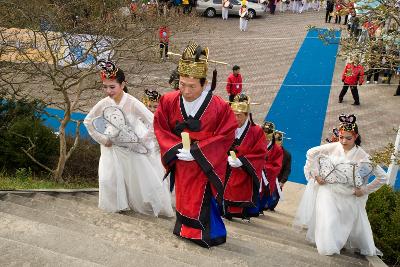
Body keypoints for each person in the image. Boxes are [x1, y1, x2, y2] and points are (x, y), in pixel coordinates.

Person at [154, 42, 237, 248]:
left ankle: (208, 234)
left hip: (204, 162)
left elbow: (226, 134)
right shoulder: (168, 100)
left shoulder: (219, 107)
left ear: (204, 83)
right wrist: (175, 148)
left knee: (202, 198)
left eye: (192, 86)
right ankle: (183, 229)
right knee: (183, 196)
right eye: (182, 84)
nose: (186, 90)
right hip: (181, 158)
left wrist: (198, 151)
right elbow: (160, 126)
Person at [84, 60, 174, 217]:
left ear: (123, 84)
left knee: (137, 183)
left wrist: (144, 140)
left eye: (112, 87)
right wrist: (103, 139)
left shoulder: (132, 103)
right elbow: (88, 121)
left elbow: (154, 121)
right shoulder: (103, 103)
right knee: (108, 179)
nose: (108, 90)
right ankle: (114, 207)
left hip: (131, 149)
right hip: (110, 148)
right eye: (105, 87)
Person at [294, 114, 387, 256]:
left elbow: (382, 177)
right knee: (328, 217)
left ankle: (337, 243)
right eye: (341, 137)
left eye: (348, 138)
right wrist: (316, 175)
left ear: (355, 137)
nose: (343, 141)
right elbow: (311, 153)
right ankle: (327, 246)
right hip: (328, 190)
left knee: (342, 223)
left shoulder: (362, 155)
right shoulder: (333, 147)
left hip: (348, 194)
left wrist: (364, 190)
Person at [223, 94, 267, 220]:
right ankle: (223, 210)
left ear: (247, 115)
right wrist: (223, 156)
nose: (235, 119)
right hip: (225, 167)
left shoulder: (256, 131)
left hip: (243, 170)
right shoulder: (227, 127)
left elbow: (260, 153)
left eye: (239, 115)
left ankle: (236, 212)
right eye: (233, 114)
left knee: (237, 193)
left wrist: (242, 161)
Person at [259, 121, 283, 213]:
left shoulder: (277, 149)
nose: (266, 139)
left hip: (267, 176)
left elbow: (277, 166)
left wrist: (265, 167)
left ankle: (259, 209)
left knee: (264, 194)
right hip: (255, 172)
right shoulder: (256, 143)